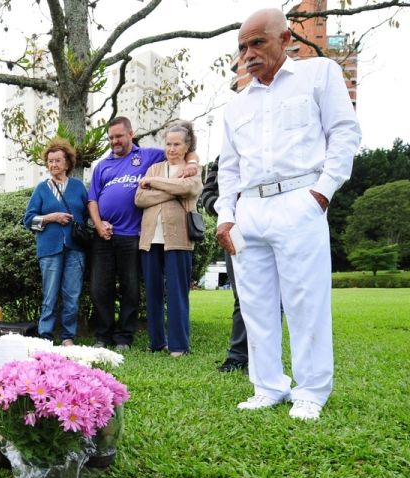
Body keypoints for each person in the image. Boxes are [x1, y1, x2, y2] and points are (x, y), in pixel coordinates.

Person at [215, 9, 361, 421]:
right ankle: (267, 386)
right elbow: (228, 168)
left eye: (258, 42)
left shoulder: (319, 74)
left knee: (305, 301)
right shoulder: (236, 105)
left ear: (286, 38)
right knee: (255, 304)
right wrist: (226, 215)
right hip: (250, 209)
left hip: (300, 199)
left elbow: (345, 133)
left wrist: (322, 192)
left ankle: (310, 391)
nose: (249, 53)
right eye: (243, 46)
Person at [88, 117, 199, 351]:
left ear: (131, 134)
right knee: (105, 288)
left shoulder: (148, 157)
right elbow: (129, 199)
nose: (114, 141)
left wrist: (194, 161)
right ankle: (114, 337)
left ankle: (131, 338)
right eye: (111, 138)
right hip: (122, 237)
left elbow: (185, 172)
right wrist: (99, 225)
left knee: (134, 289)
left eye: (119, 136)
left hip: (138, 235)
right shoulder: (104, 165)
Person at [134, 121, 203, 357]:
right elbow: (139, 199)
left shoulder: (193, 169)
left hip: (179, 239)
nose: (171, 149)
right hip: (150, 238)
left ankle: (178, 345)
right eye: (168, 144)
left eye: (176, 144)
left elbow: (190, 190)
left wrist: (153, 185)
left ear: (186, 147)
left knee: (177, 293)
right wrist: (172, 190)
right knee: (152, 293)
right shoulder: (155, 168)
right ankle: (156, 342)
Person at [23, 138, 89, 347]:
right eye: (50, 161)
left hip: (75, 249)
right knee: (49, 295)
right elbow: (28, 220)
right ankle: (45, 336)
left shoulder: (78, 187)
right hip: (49, 249)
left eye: (58, 161)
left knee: (72, 295)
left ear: (67, 163)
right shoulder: (41, 189)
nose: (53, 165)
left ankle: (68, 336)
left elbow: (89, 215)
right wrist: (51, 217)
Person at [199, 157, 249, 372]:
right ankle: (238, 356)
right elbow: (207, 194)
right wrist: (226, 211)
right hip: (236, 228)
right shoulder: (224, 157)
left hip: (276, 223)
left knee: (275, 297)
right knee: (242, 295)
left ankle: (264, 357)